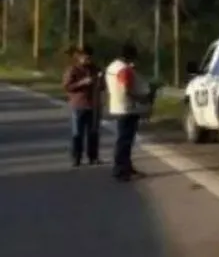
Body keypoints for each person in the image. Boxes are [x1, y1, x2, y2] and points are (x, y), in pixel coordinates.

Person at [104, 43, 154, 182]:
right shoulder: (124, 69)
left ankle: (126, 166)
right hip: (127, 108)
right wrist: (141, 99)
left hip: (117, 106)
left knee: (124, 140)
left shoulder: (112, 66)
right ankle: (120, 170)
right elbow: (126, 89)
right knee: (125, 141)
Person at [62, 45, 102, 166]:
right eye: (85, 57)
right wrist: (81, 83)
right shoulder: (72, 69)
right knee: (77, 133)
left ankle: (93, 157)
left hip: (93, 105)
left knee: (93, 132)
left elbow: (102, 86)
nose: (87, 59)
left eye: (89, 57)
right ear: (79, 57)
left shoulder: (95, 69)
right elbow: (67, 86)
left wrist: (100, 81)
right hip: (78, 105)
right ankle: (76, 157)